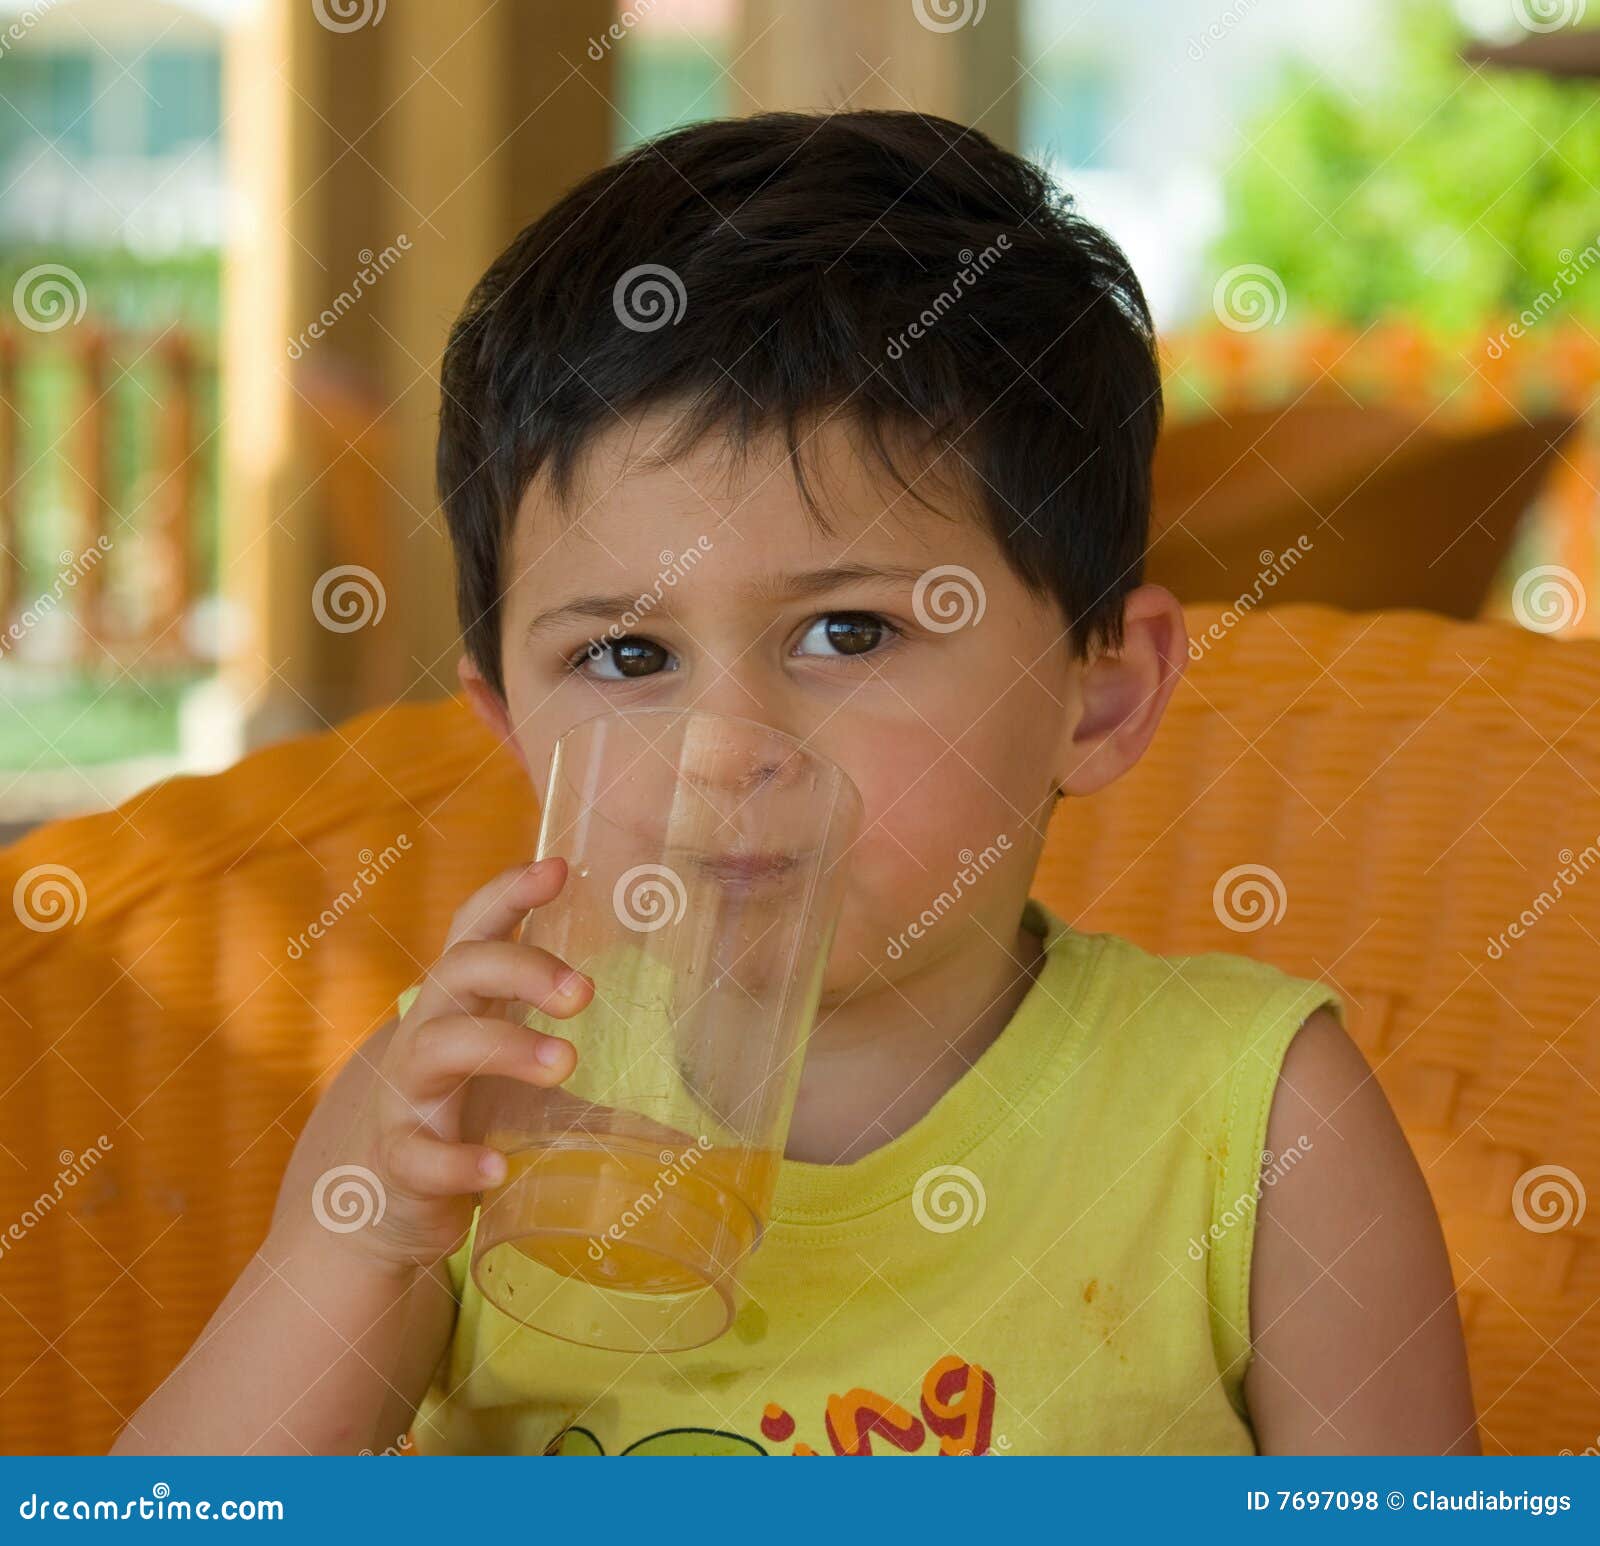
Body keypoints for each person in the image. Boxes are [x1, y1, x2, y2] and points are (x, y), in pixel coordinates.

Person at [111, 109, 1477, 1457]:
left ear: (1100, 689)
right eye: (626, 652)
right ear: (514, 726)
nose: (728, 746)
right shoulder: (462, 1108)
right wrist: (364, 1243)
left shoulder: (1253, 1122)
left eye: (848, 632)